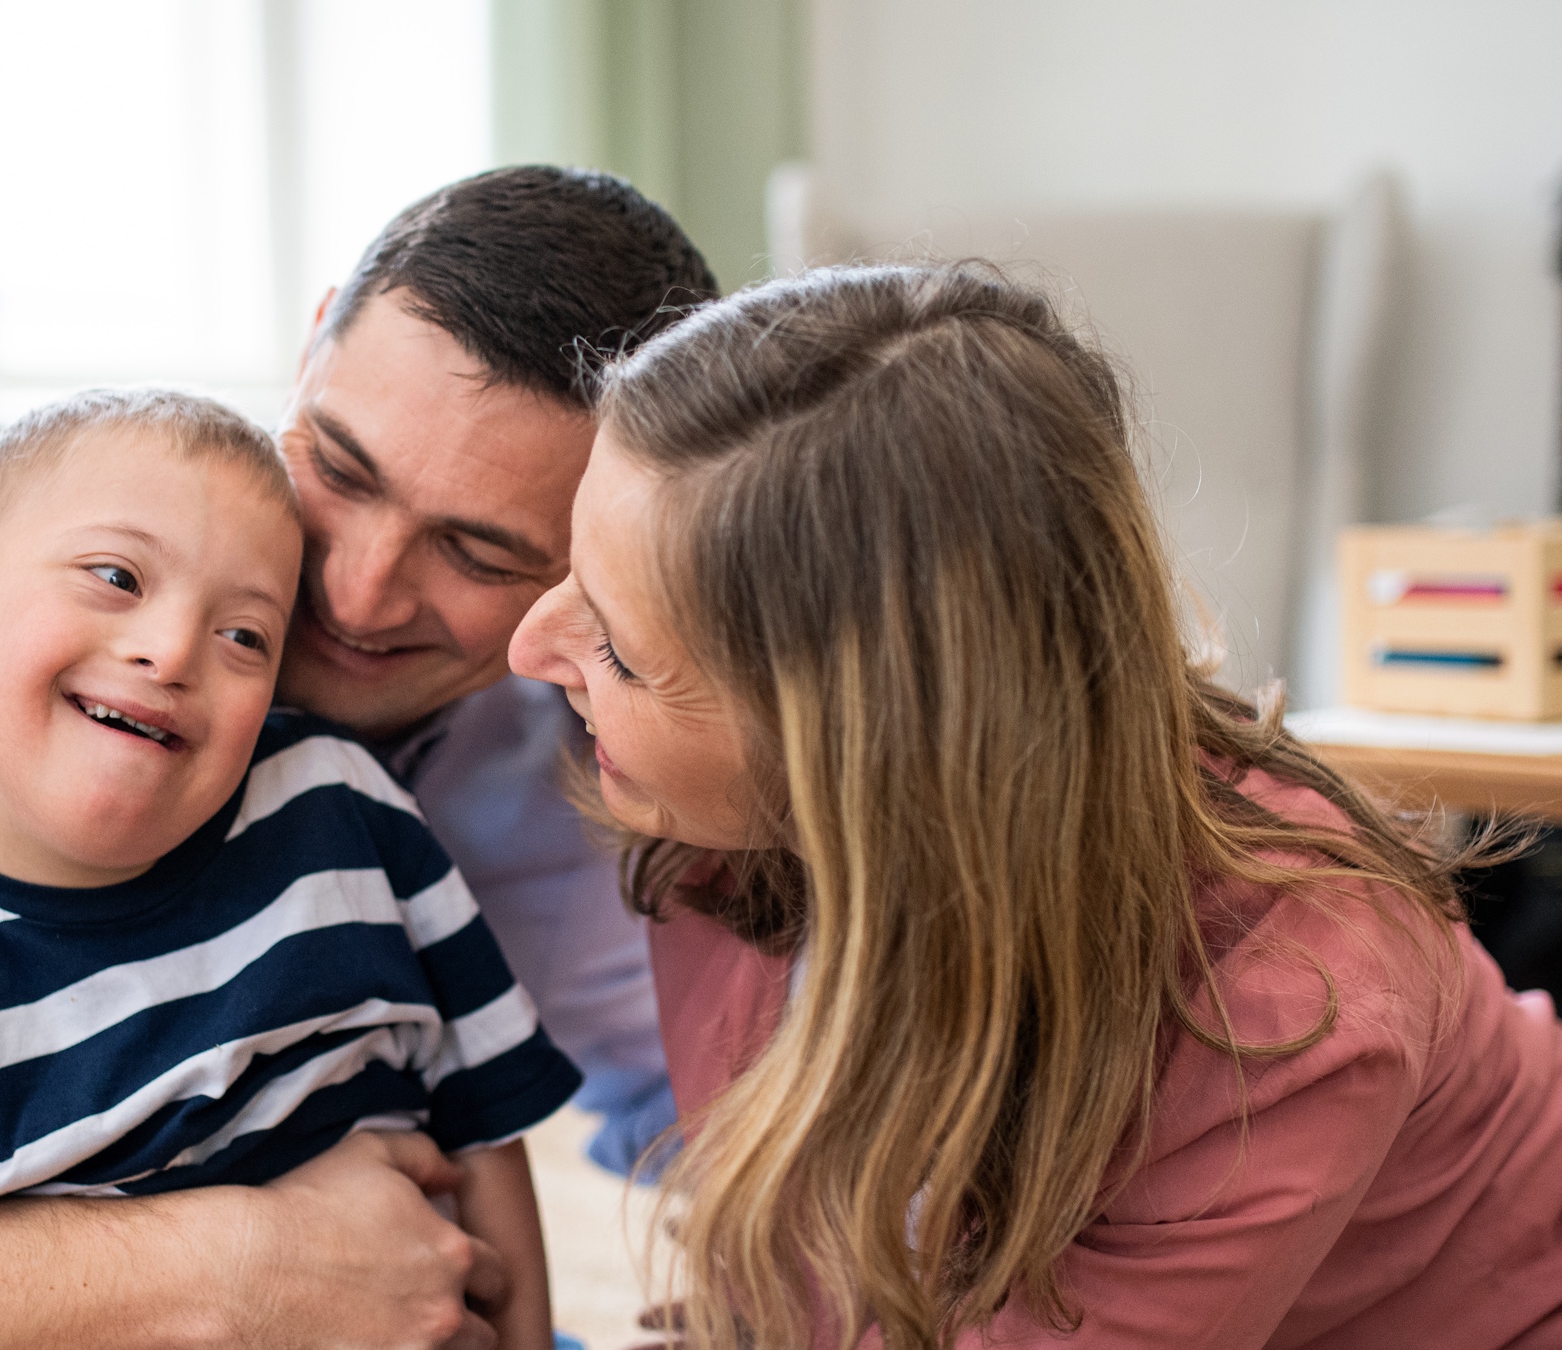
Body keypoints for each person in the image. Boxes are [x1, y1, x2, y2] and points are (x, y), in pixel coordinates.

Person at [0, 165, 719, 1350]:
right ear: (314, 341)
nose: (355, 591)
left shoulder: (582, 755)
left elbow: (734, 1117)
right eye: (339, 467)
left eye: (476, 554)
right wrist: (226, 1268)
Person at [508, 261, 1562, 1349]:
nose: (527, 647)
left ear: (860, 749)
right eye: (572, 575)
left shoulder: (1292, 1012)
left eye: (620, 652)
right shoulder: (707, 835)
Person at [0, 389, 579, 1350]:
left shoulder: (345, 808)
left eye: (246, 635)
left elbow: (487, 1121)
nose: (171, 650)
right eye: (115, 577)